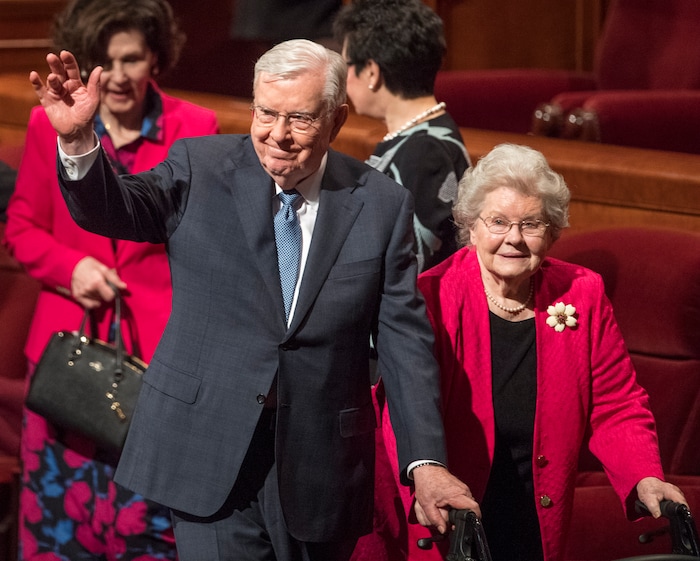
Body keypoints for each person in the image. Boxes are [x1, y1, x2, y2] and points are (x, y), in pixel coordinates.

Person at [27, 38, 480, 561]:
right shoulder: (199, 166)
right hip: (207, 448)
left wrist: (425, 462)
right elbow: (114, 210)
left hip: (320, 464)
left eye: (300, 119)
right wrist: (81, 143)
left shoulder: (380, 205)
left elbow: (404, 338)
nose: (278, 136)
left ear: (336, 120)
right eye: (266, 113)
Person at [3, 0, 219, 558]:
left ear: (156, 59)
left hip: (155, 358)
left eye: (133, 59)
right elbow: (23, 228)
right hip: (66, 361)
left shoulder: (197, 129)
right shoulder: (45, 124)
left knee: (146, 528)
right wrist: (69, 266)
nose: (119, 76)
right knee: (58, 530)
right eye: (106, 62)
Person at [412, 143, 687, 561]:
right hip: (450, 519)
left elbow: (617, 405)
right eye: (498, 222)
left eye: (531, 224)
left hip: (537, 519)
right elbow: (404, 406)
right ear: (471, 227)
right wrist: (426, 476)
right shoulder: (433, 295)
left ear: (553, 232)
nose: (514, 239)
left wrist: (644, 477)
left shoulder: (583, 292)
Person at [333, 0, 469, 273]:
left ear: (371, 72)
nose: (345, 79)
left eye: (346, 65)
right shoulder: (421, 137)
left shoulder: (425, 152)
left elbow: (410, 265)